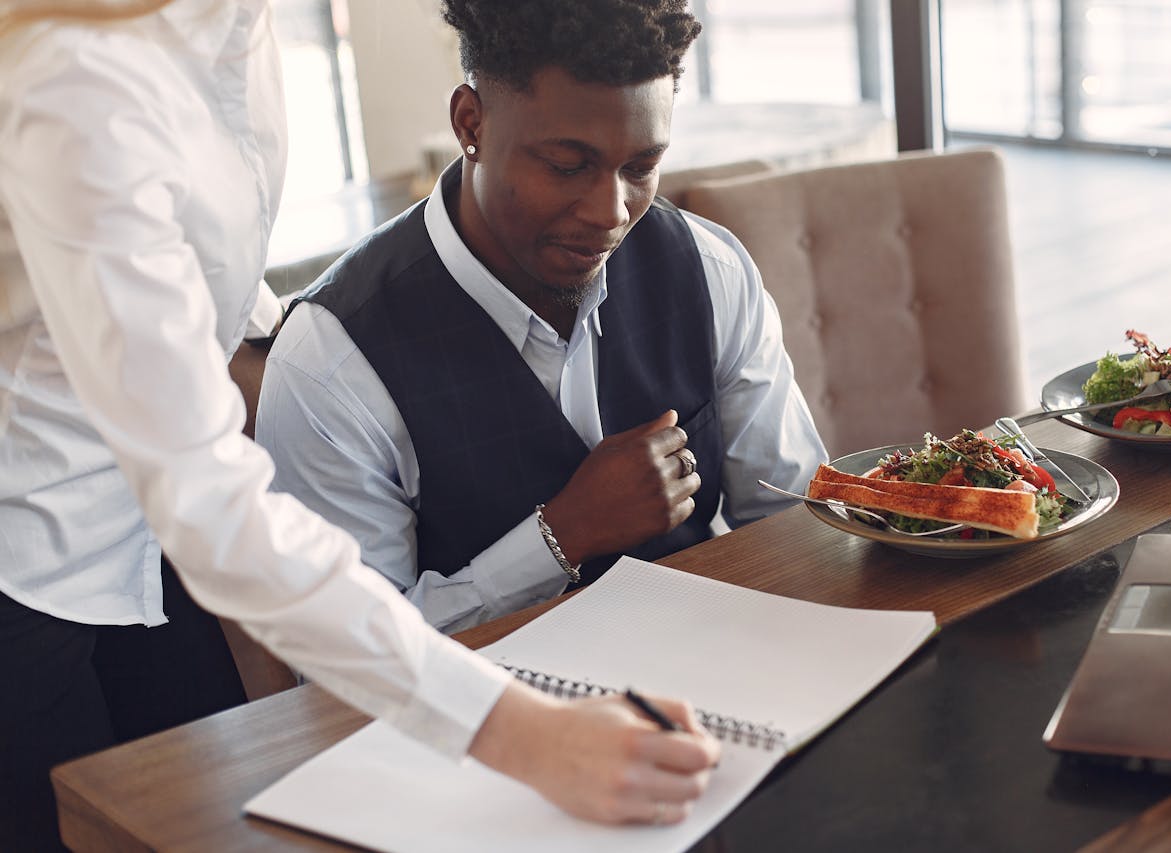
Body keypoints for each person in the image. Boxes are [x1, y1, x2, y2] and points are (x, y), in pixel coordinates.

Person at [0, 1, 719, 849]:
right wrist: (527, 734)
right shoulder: (78, 88)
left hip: (139, 534)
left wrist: (270, 336)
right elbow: (208, 505)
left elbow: (179, 244)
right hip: (28, 551)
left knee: (198, 817)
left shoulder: (239, 29)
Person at [256, 0, 828, 634]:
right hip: (478, 720)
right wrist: (560, 536)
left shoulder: (710, 270)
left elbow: (795, 522)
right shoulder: (331, 360)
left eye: (640, 168)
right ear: (470, 122)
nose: (611, 211)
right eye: (567, 166)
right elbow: (349, 658)